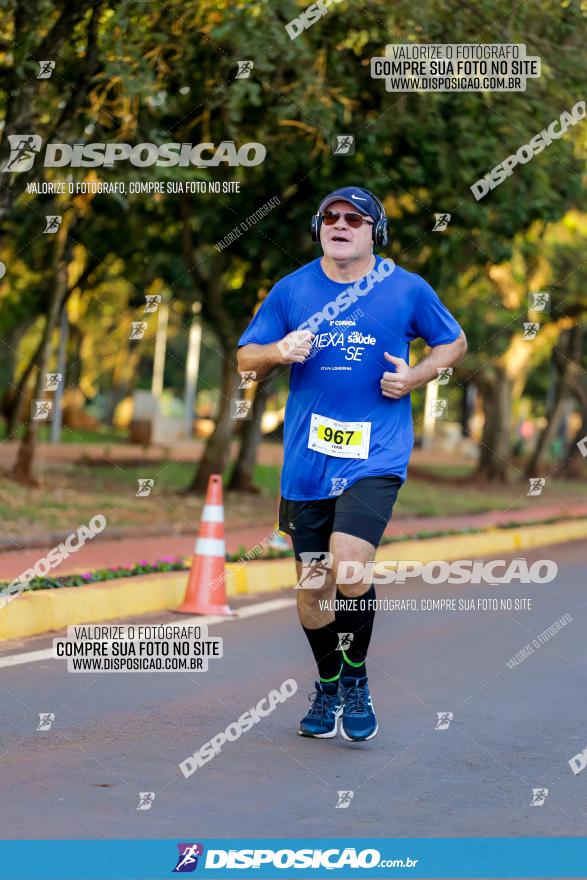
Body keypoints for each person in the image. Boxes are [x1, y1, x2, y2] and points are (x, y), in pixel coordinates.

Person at [236, 186, 467, 741]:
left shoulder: (406, 289)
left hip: (375, 455)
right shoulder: (291, 291)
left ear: (373, 232)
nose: (340, 225)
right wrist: (277, 352)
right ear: (320, 228)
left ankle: (357, 680)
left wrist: (415, 376)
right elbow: (247, 358)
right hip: (306, 464)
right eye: (330, 218)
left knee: (350, 564)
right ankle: (329, 682)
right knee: (314, 587)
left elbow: (453, 342)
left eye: (354, 219)